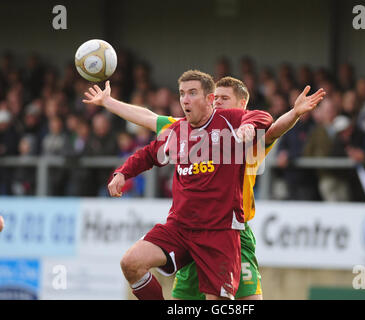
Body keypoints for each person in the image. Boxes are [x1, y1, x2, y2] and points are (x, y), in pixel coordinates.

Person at [83, 74, 325, 300]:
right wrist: (109, 103)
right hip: (186, 227)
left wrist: (293, 113)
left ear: (241, 104)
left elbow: (270, 128)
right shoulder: (185, 126)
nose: (217, 103)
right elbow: (148, 119)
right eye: (215, 97)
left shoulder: (243, 132)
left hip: (230, 232)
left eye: (224, 99)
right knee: (137, 265)